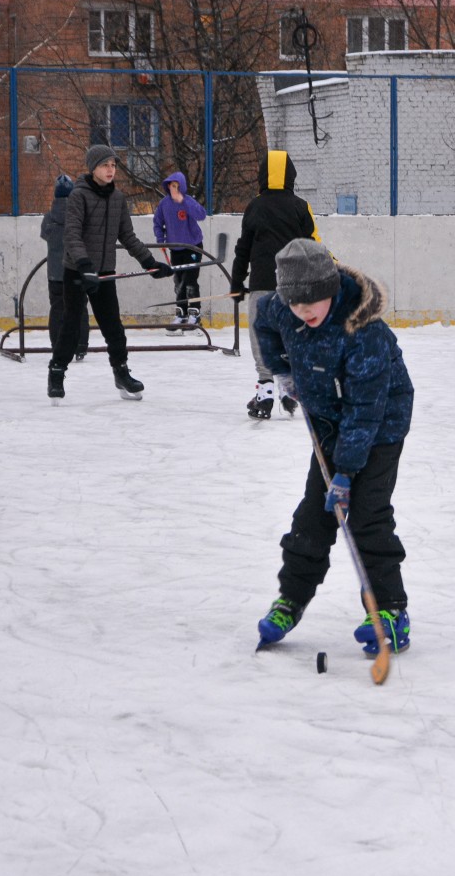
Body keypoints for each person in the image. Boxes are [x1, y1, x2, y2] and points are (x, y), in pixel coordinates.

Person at [251, 238, 414, 657]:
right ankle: (291, 598)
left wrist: (345, 472)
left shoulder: (363, 332)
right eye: (296, 306)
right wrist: (282, 371)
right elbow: (264, 318)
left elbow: (364, 412)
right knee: (313, 515)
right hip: (328, 420)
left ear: (331, 290)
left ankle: (391, 612)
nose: (304, 313)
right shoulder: (283, 309)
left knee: (365, 516)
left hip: (379, 426)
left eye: (313, 304)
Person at [47, 144, 171, 403]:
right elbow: (71, 234)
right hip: (78, 272)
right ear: (93, 168)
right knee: (70, 325)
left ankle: (121, 372)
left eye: (113, 165)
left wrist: (150, 263)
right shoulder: (78, 197)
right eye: (105, 165)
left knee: (113, 326)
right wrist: (84, 265)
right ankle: (57, 372)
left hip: (104, 272)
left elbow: (127, 236)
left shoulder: (118, 199)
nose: (111, 170)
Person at [229, 149, 318, 419]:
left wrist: (236, 281)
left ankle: (266, 390)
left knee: (262, 337)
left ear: (263, 175)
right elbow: (311, 245)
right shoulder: (300, 206)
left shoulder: (255, 206)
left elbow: (243, 248)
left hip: (262, 285)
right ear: (291, 174)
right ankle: (287, 387)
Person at [151, 170, 208, 333]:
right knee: (179, 282)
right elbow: (158, 223)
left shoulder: (188, 201)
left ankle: (194, 314)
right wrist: (160, 240)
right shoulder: (164, 204)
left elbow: (201, 215)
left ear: (182, 187)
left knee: (191, 280)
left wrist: (183, 200)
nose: (173, 189)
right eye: (171, 186)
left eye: (176, 186)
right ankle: (181, 313)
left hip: (193, 247)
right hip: (175, 249)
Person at [40, 174, 89, 361]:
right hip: (76, 269)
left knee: (57, 309)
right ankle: (81, 346)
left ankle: (57, 345)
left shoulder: (49, 218)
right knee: (80, 308)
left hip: (55, 272)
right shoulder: (80, 215)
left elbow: (45, 235)